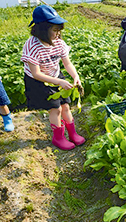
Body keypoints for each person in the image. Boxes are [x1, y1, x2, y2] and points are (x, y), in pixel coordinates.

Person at [21, 5, 85, 150]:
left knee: (66, 106)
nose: (58, 34)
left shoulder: (59, 43)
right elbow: (36, 73)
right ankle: (58, 137)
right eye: (54, 30)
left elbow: (67, 63)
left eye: (59, 30)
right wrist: (59, 82)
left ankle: (73, 133)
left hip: (55, 75)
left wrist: (75, 76)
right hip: (39, 80)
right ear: (42, 30)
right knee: (55, 109)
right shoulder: (32, 46)